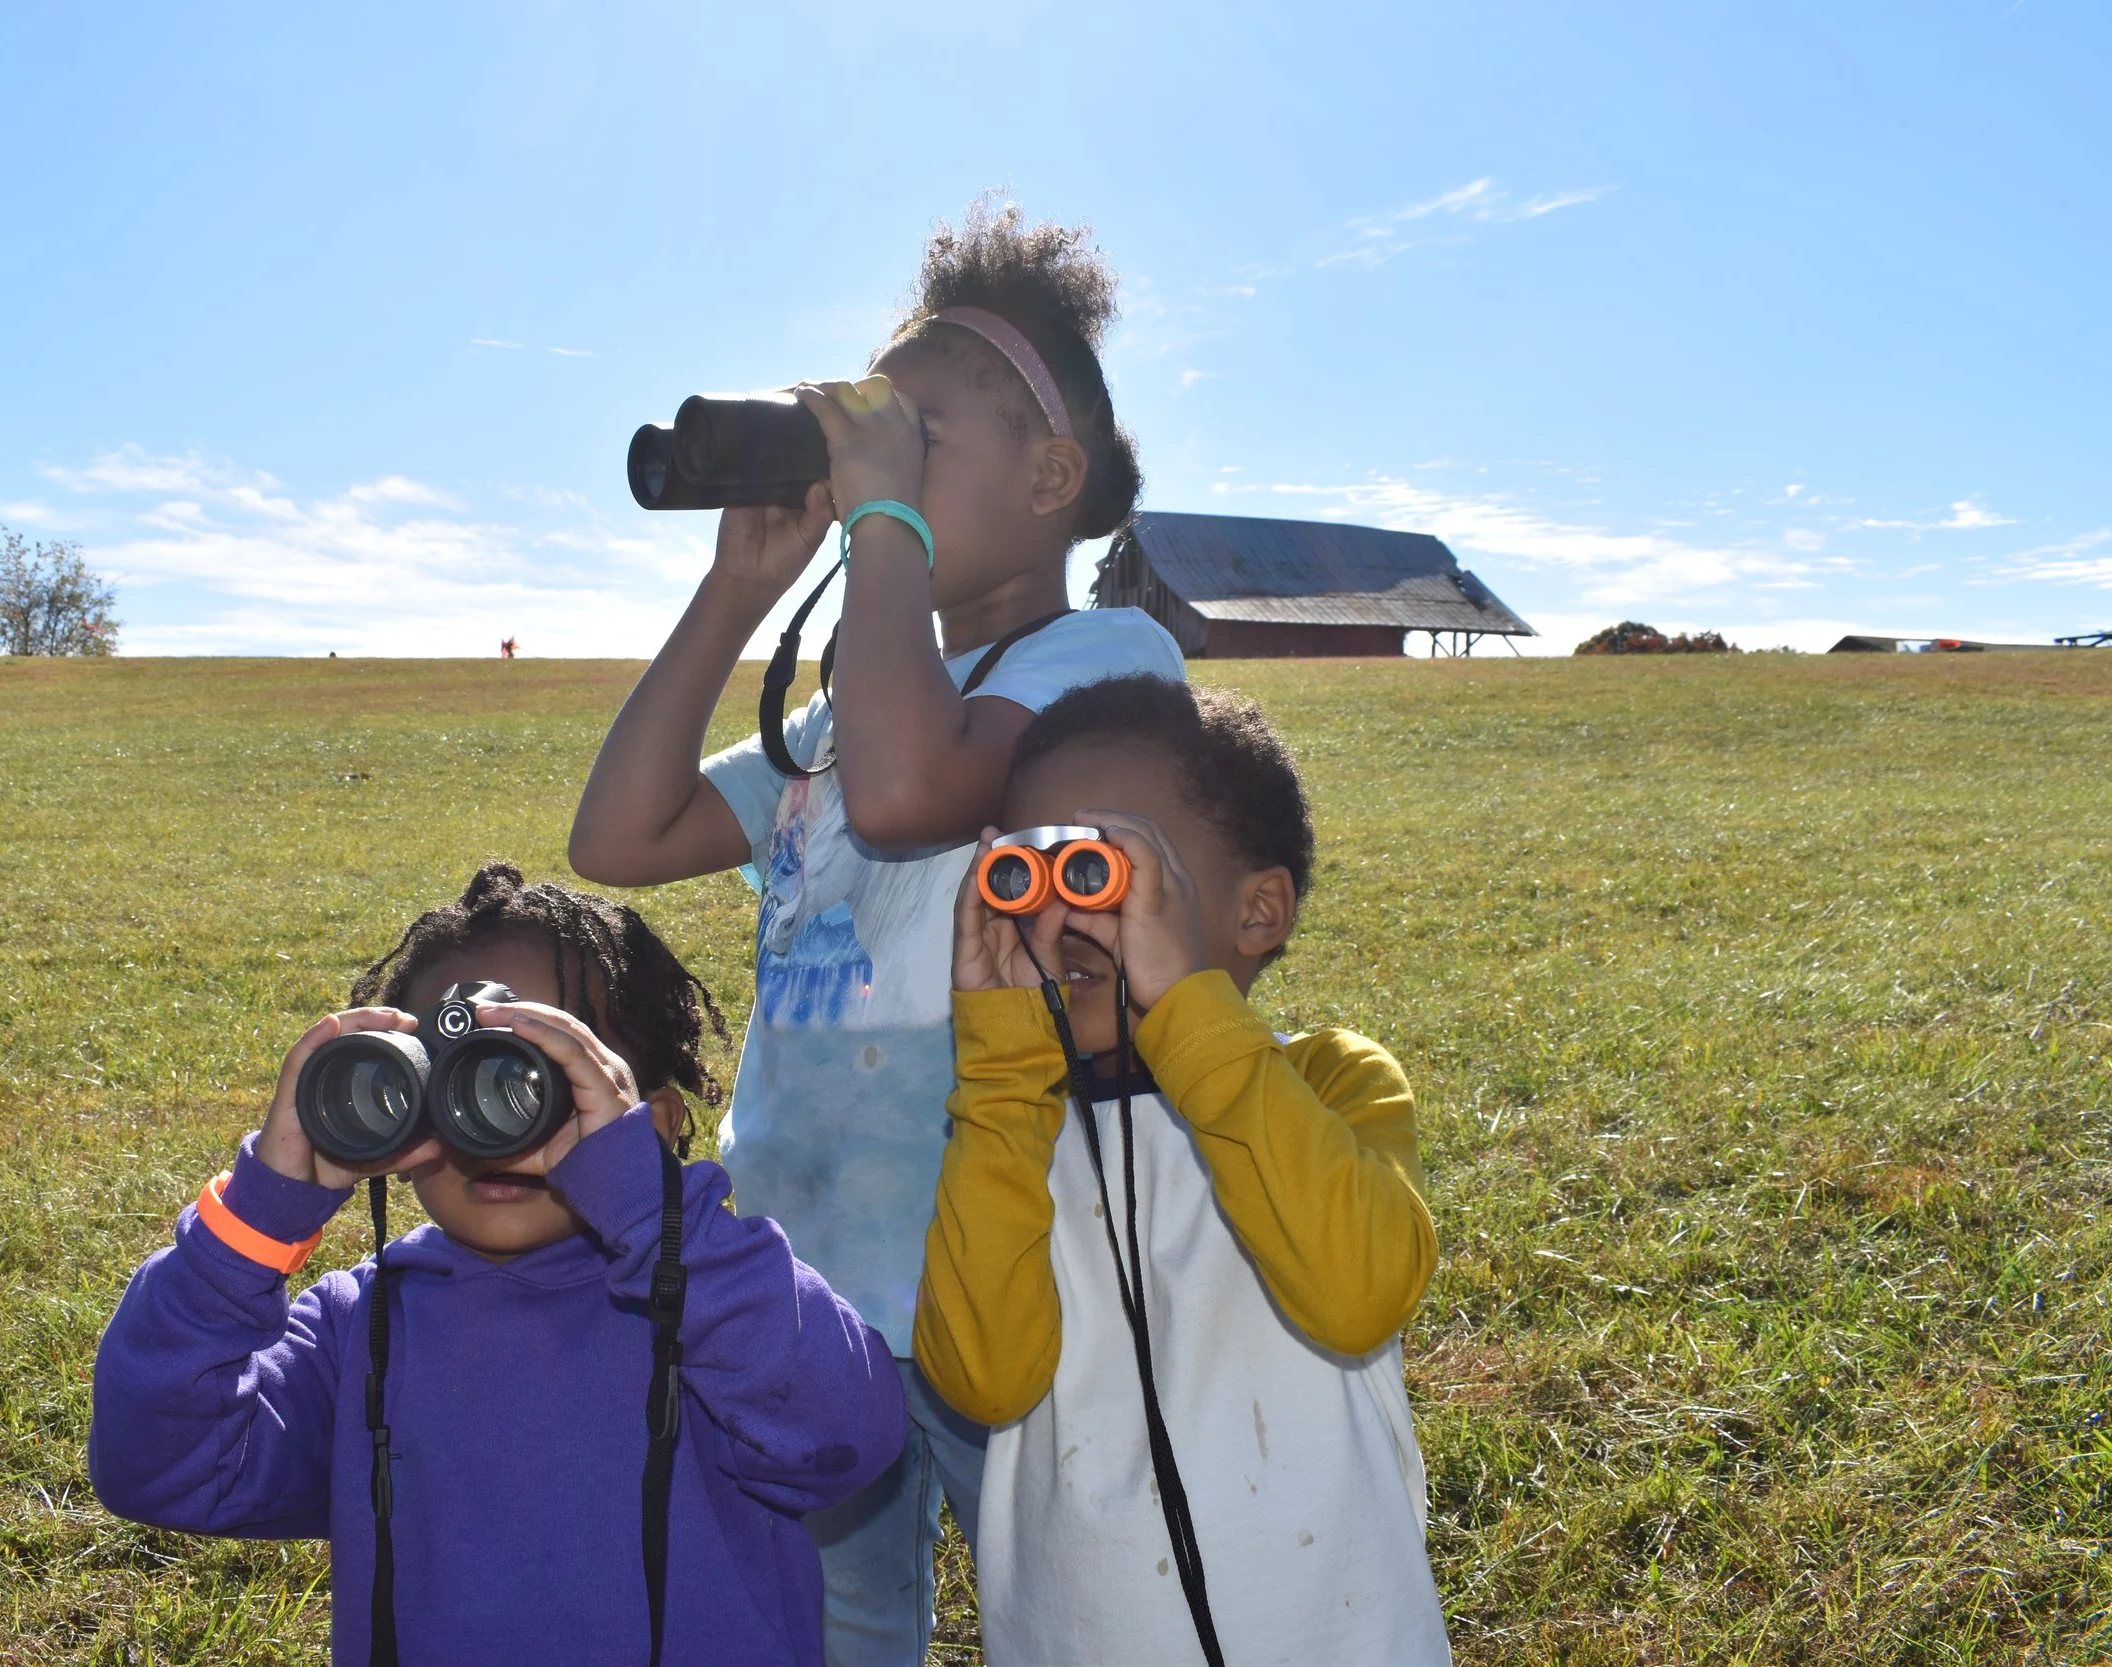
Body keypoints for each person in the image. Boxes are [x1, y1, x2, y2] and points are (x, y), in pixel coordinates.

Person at [568, 202, 1184, 1665]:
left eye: (912, 438)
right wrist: (739, 585)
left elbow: (914, 795)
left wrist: (883, 525)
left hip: (1011, 1258)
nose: (866, 471)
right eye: (864, 437)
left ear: (1053, 477)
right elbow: (621, 835)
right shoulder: (847, 708)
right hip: (806, 1264)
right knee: (832, 1632)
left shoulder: (1101, 655)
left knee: (1075, 1609)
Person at [90, 864, 907, 1667]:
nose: (499, 1122)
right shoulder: (360, 1329)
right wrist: (257, 1219)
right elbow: (158, 1462)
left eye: (541, 1077)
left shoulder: (713, 1302)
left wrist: (651, 1213)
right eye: (452, 1083)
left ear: (649, 1123)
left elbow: (845, 1433)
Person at [917, 675, 1452, 1665]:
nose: (1066, 917)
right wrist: (1000, 1077)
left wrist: (1189, 1012)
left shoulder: (1328, 1079)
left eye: (1109, 870)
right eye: (1033, 868)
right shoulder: (1010, 1131)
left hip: (1330, 1632)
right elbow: (983, 1380)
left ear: (1258, 910)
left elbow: (1358, 1292)